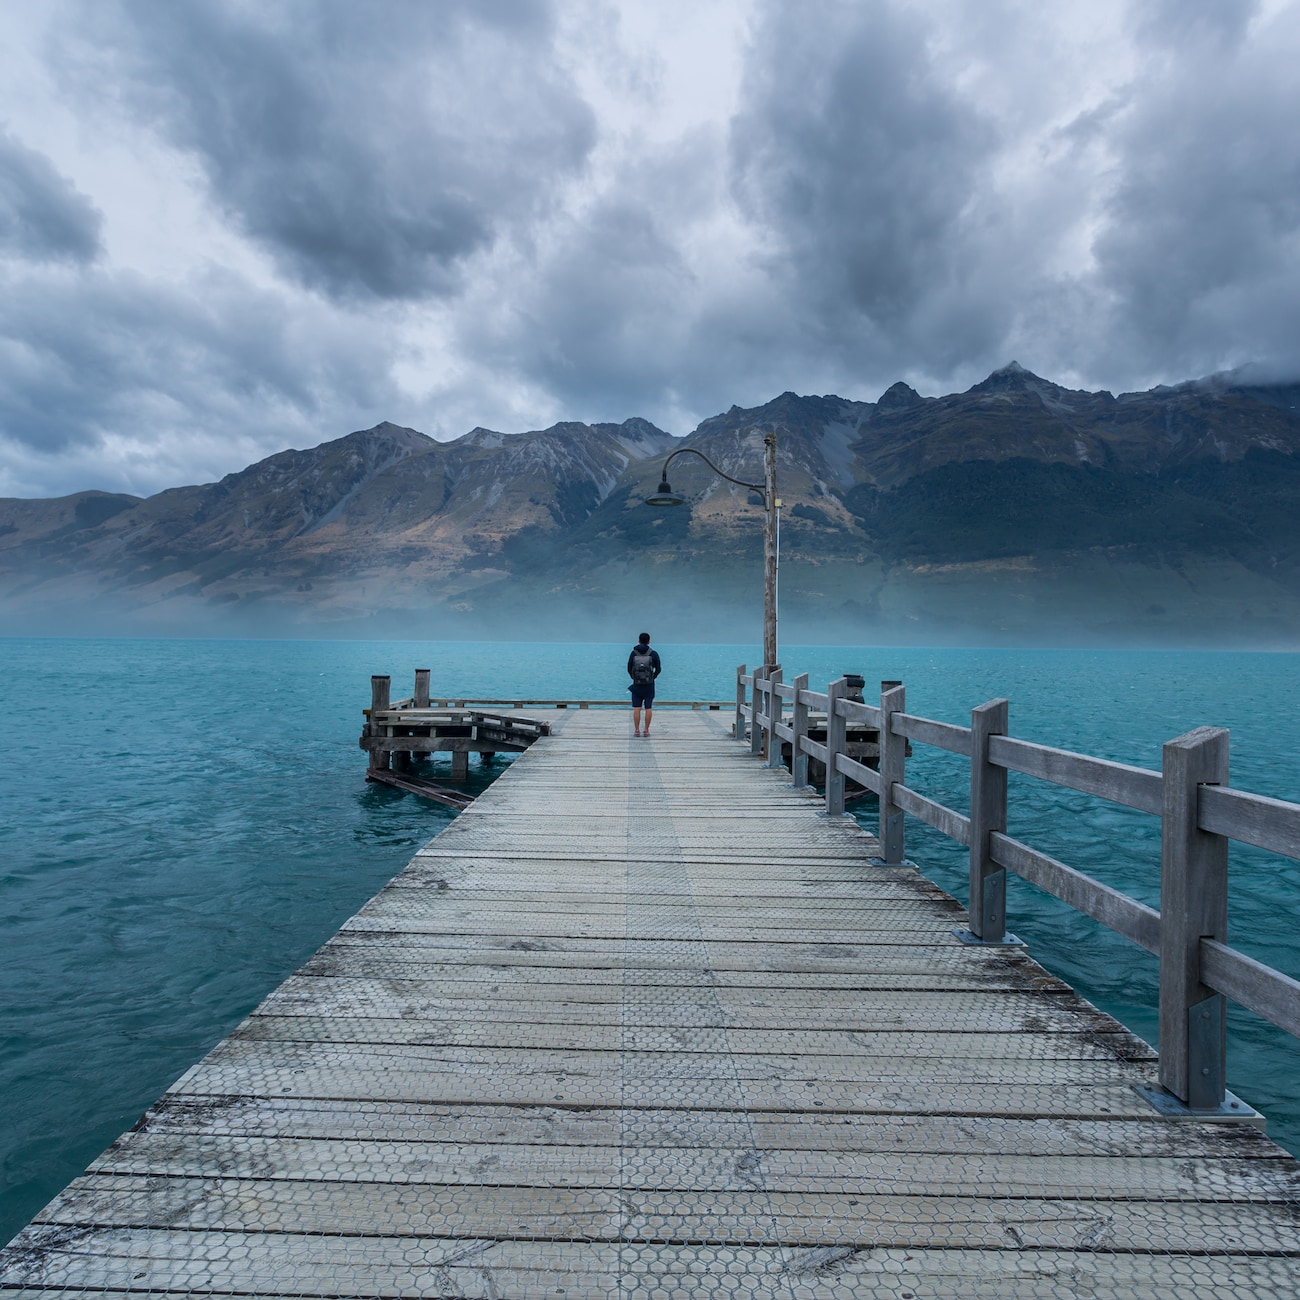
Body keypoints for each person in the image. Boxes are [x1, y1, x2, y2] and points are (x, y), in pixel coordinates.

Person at [627, 632, 662, 737]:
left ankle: (637, 730)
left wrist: (634, 678)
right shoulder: (653, 653)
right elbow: (659, 669)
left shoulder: (633, 653)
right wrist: (653, 677)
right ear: (649, 642)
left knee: (637, 708)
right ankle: (646, 730)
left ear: (638, 641)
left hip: (637, 684)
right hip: (649, 685)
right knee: (648, 708)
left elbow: (629, 668)